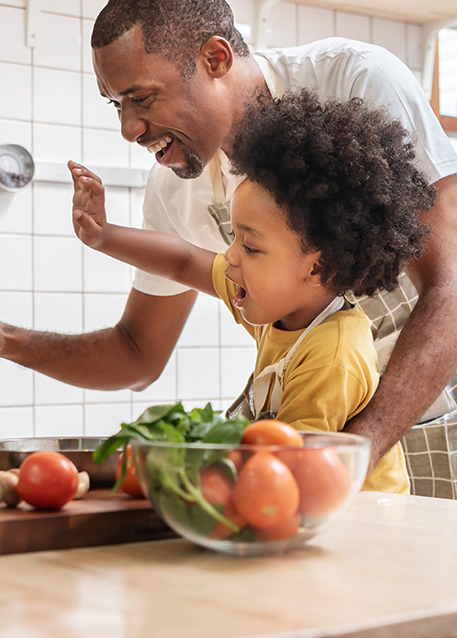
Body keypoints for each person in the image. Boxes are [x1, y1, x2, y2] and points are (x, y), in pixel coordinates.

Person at [0, 0, 457, 508]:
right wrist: (0, 339)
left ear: (216, 57)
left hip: (456, 379)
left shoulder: (355, 82)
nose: (129, 130)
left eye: (142, 98)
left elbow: (456, 287)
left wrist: (363, 446)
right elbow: (138, 350)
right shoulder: (175, 184)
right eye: (117, 106)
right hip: (329, 411)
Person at [70, 90, 436, 493]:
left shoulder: (333, 355)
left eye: (250, 245)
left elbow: (289, 475)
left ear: (316, 268)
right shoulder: (283, 305)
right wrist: (105, 237)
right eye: (234, 237)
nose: (229, 255)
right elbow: (183, 262)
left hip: (363, 528)